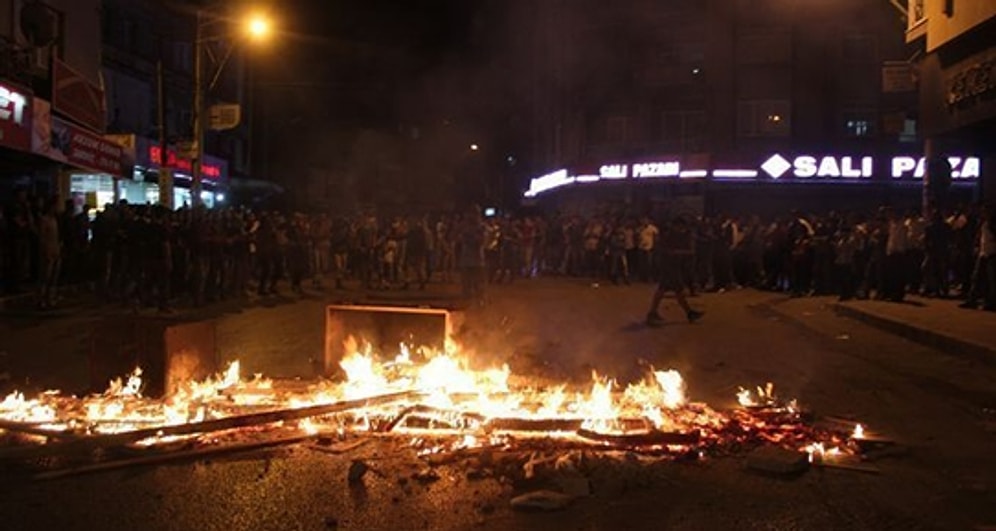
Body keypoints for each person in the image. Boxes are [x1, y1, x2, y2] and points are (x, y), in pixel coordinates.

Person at [646, 216, 704, 327]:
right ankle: (688, 313)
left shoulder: (675, 235)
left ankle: (654, 312)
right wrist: (677, 252)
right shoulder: (670, 236)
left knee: (666, 289)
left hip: (672, 266)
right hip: (669, 266)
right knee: (675, 290)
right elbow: (668, 251)